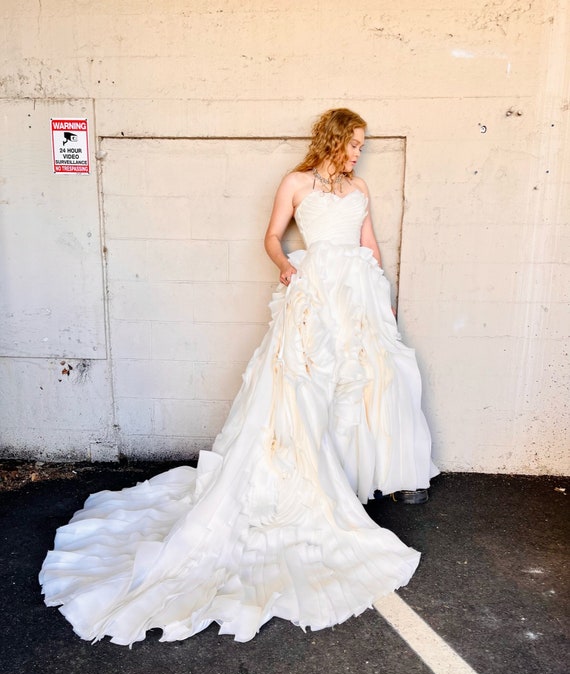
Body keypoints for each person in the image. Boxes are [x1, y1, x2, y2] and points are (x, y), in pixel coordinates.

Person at [40, 108, 438, 646]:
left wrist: (382, 299)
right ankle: (315, 486)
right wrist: (287, 264)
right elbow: (272, 237)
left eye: (362, 145)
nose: (359, 153)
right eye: (355, 143)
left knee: (370, 382)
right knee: (307, 388)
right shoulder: (296, 183)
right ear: (335, 139)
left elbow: (369, 243)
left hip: (359, 296)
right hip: (315, 290)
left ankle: (355, 480)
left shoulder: (359, 186)